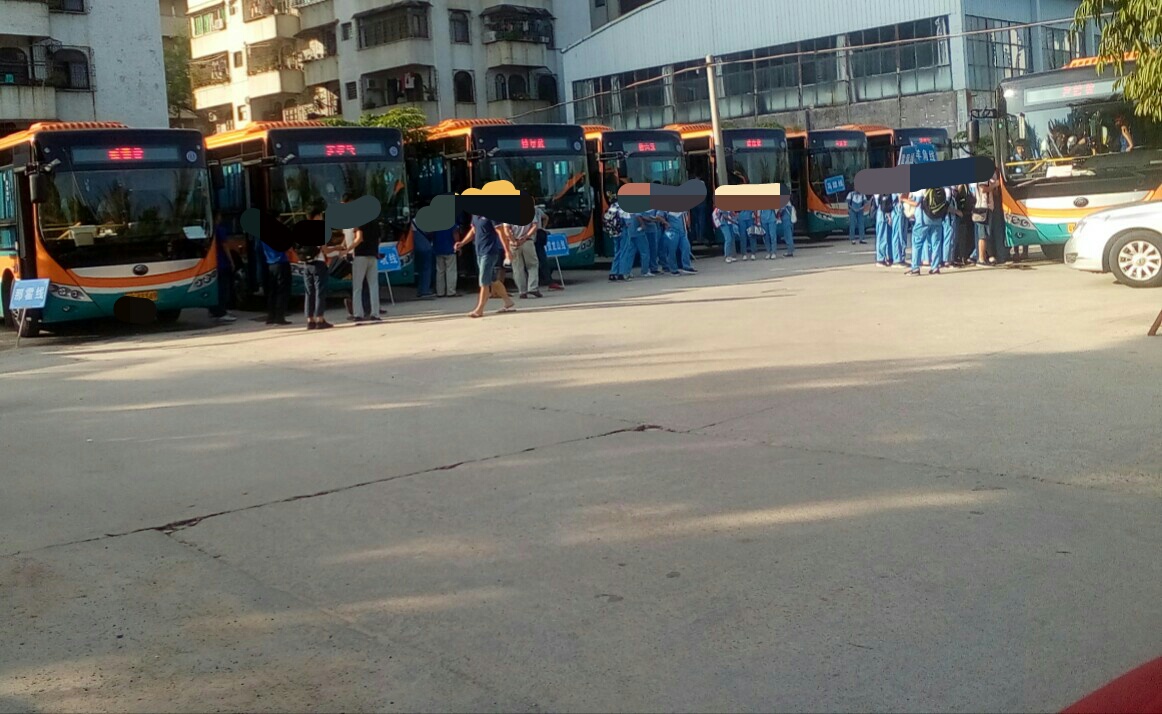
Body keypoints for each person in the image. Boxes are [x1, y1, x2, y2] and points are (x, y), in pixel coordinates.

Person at [456, 214, 515, 318]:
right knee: (492, 280)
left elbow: (501, 232)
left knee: (484, 281)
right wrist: (462, 243)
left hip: (489, 252)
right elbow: (473, 231)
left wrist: (507, 251)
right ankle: (508, 301)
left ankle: (479, 309)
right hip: (479, 251)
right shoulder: (475, 216)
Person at [296, 203, 341, 330]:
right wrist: (337, 248)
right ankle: (320, 319)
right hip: (318, 264)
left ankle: (310, 320)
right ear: (317, 216)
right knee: (320, 292)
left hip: (306, 264)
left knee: (309, 292)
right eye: (321, 215)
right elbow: (325, 250)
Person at [344, 194, 382, 322]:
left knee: (357, 286)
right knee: (373, 285)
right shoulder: (375, 221)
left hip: (360, 256)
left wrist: (347, 249)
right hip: (373, 255)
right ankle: (375, 313)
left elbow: (359, 239)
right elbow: (379, 239)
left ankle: (358, 314)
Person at [901, 186, 946, 275]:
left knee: (917, 242)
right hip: (937, 218)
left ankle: (915, 268)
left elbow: (916, 203)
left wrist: (904, 200)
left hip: (923, 218)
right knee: (936, 243)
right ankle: (935, 267)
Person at [208, 212, 237, 323]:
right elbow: (225, 246)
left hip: (212, 264)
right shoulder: (220, 230)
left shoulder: (209, 230)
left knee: (216, 288)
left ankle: (214, 310)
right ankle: (222, 312)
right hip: (222, 263)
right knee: (223, 288)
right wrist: (231, 261)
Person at [262, 224, 292, 324]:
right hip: (281, 262)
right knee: (282, 290)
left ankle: (271, 316)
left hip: (270, 264)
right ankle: (280, 316)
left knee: (272, 291)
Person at [507, 212, 542, 298]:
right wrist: (525, 236)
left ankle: (522, 291)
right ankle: (533, 288)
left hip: (513, 244)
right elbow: (534, 226)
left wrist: (513, 240)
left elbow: (506, 230)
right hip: (527, 241)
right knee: (532, 265)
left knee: (517, 268)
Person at [432, 221, 460, 298]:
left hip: (438, 249)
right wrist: (458, 245)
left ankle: (440, 292)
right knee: (451, 270)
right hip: (450, 248)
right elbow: (455, 233)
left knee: (440, 271)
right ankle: (451, 291)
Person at [665, 209, 696, 274]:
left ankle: (686, 266)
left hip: (682, 232)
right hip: (672, 232)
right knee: (672, 250)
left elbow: (687, 212)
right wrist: (665, 223)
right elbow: (659, 216)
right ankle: (673, 269)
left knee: (686, 247)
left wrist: (688, 224)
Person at [412, 218, 436, 300]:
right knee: (427, 269)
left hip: (416, 247)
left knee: (420, 269)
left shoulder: (413, 221)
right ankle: (425, 290)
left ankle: (420, 290)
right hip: (426, 248)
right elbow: (430, 232)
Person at [873, 193, 896, 266]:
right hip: (883, 210)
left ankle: (889, 256)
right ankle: (881, 258)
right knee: (882, 236)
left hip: (885, 210)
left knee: (888, 235)